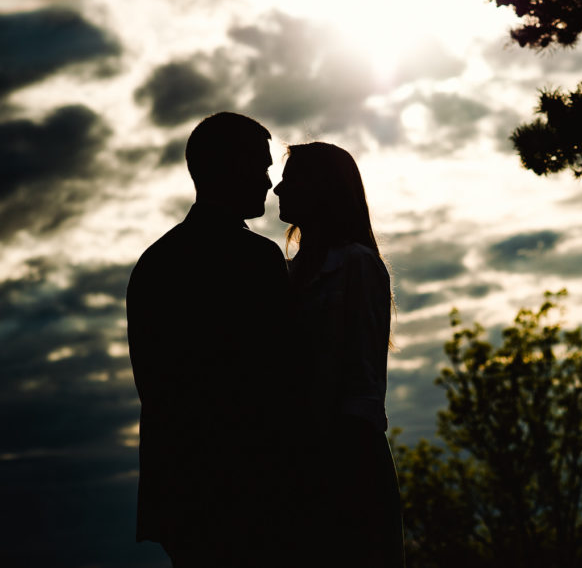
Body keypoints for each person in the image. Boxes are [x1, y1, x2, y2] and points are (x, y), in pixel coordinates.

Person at [126, 112, 290, 567]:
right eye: (260, 166)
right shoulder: (255, 258)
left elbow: (154, 385)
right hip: (249, 489)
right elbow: (279, 376)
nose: (268, 181)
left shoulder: (154, 263)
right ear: (228, 167)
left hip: (180, 492)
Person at [273, 142, 405, 567]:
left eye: (291, 181)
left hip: (347, 454)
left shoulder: (357, 264)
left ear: (321, 190)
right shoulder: (288, 273)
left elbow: (362, 378)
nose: (277, 189)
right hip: (303, 456)